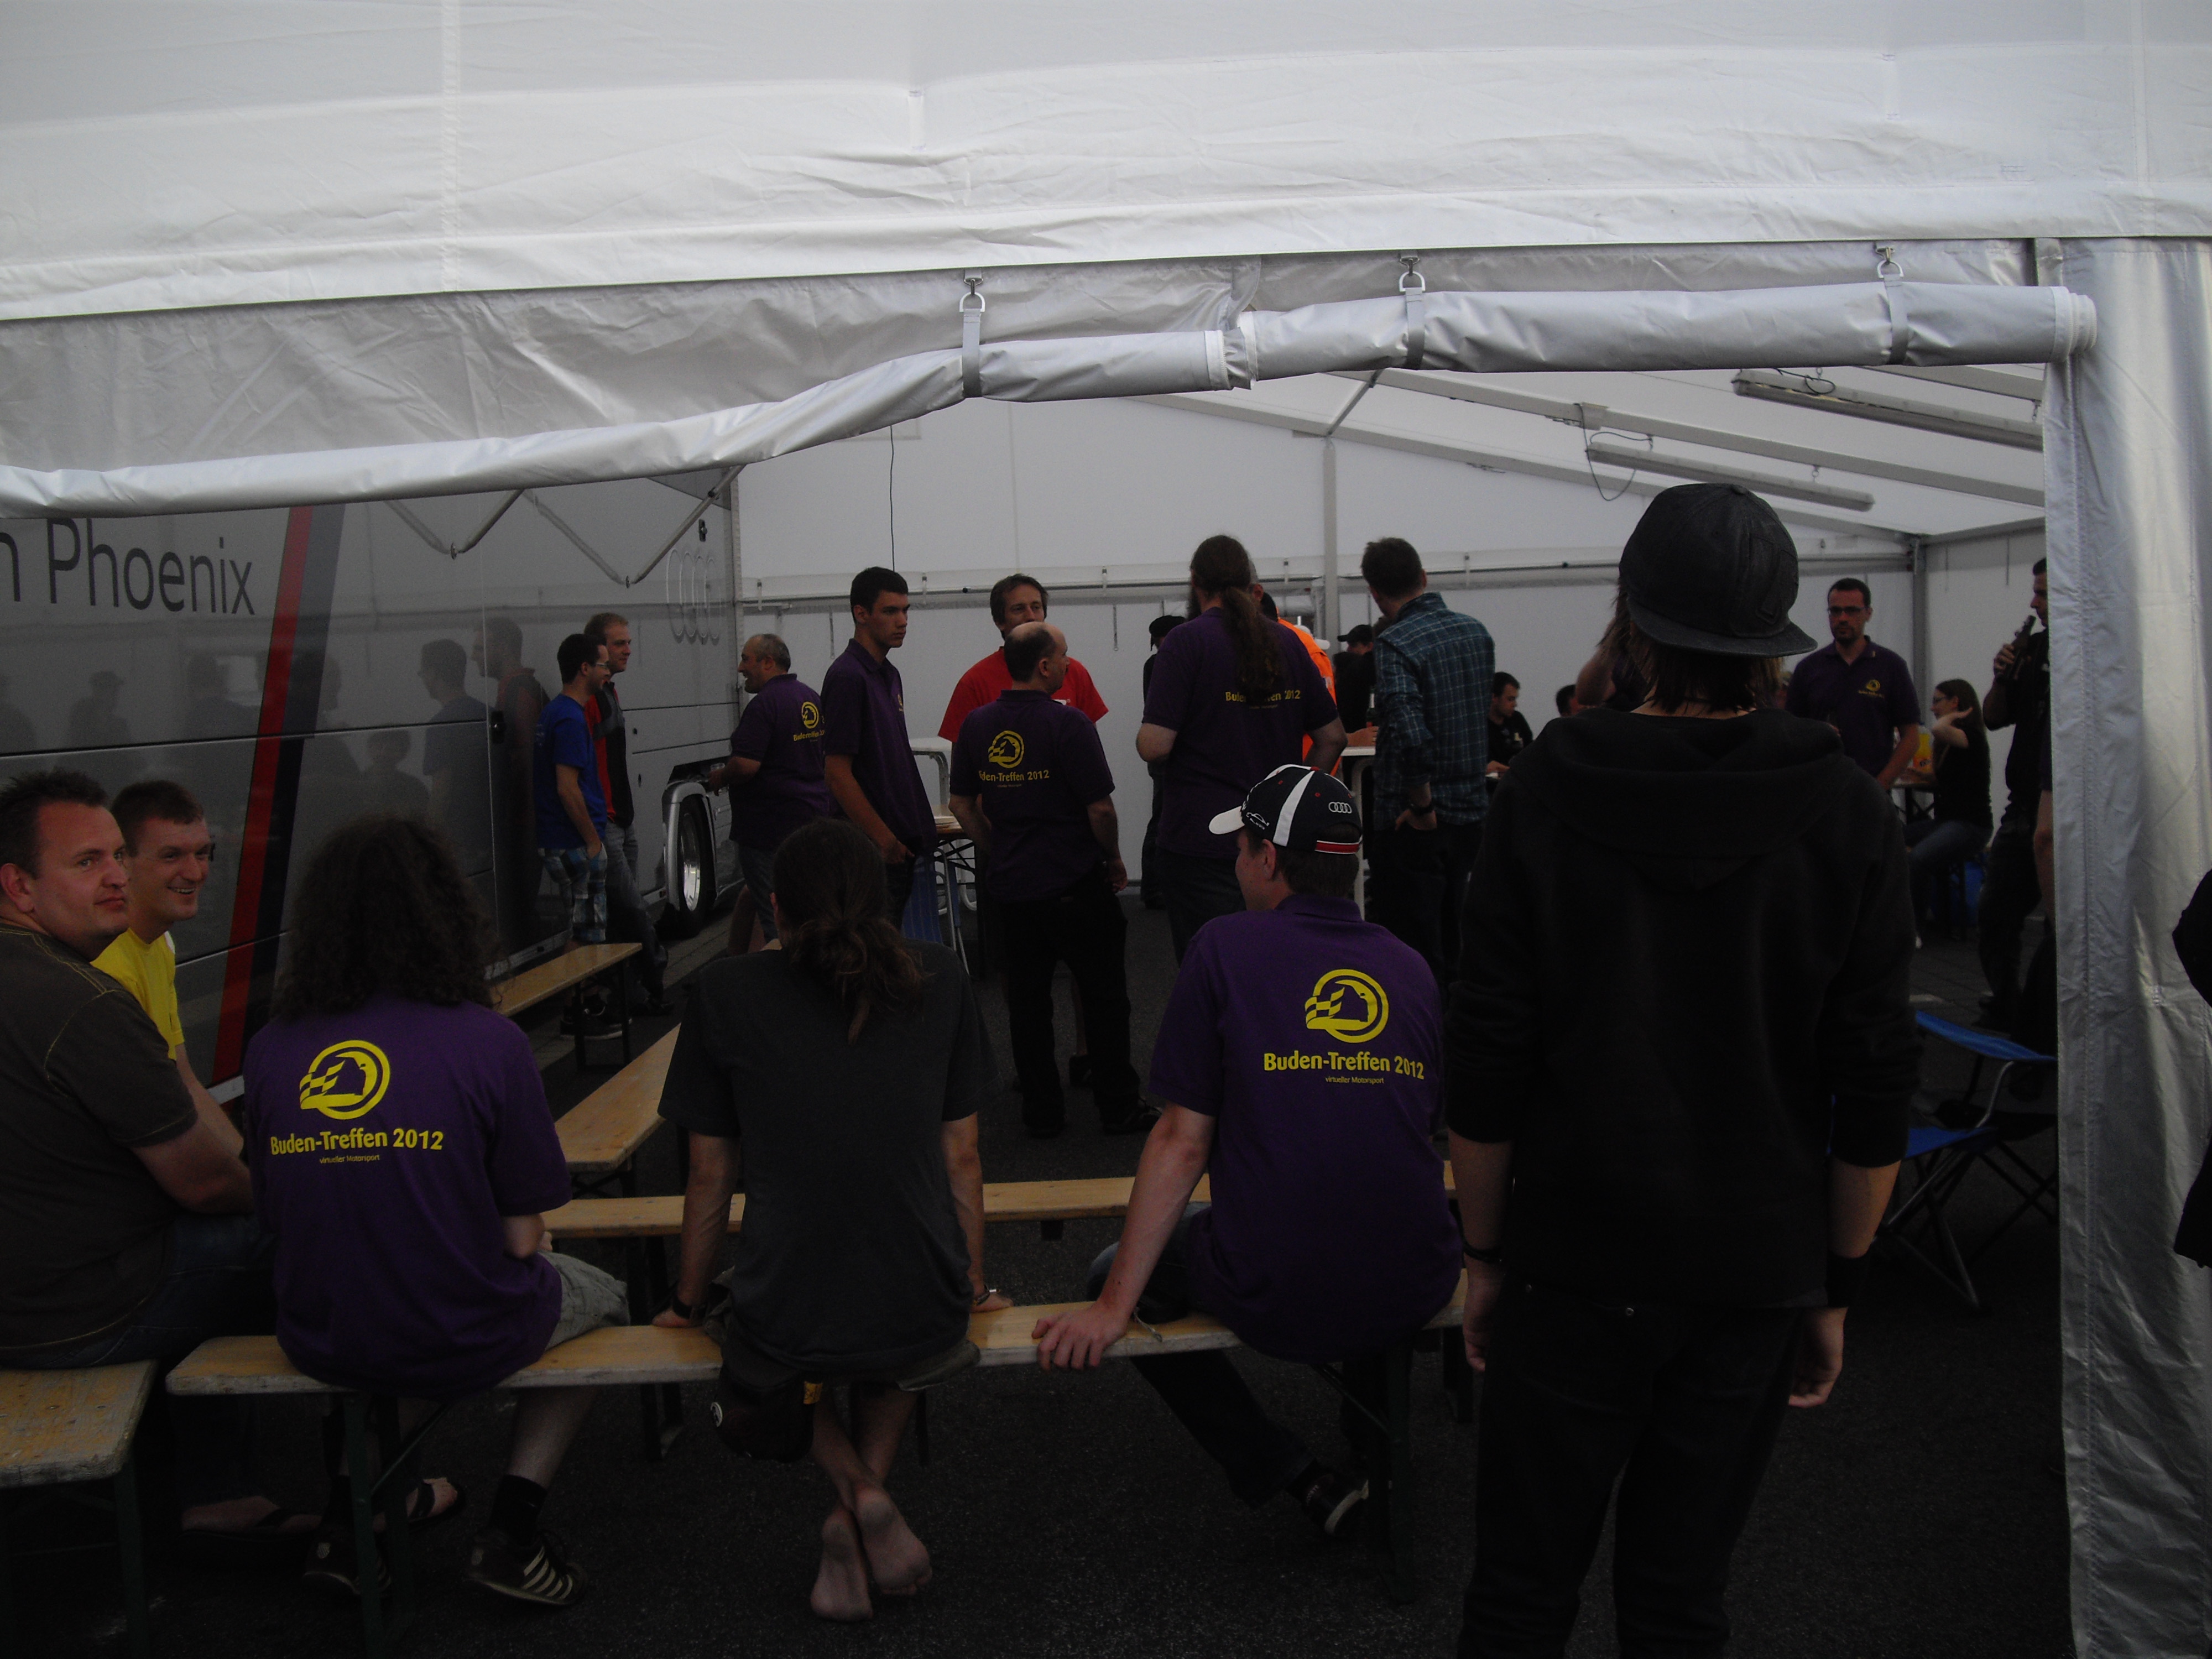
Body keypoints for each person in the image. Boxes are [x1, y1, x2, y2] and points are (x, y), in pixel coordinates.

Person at [1446, 483, 1917, 1657]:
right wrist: (1837, 1285)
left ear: (1632, 616)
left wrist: (1483, 1255)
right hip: (1750, 1264)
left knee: (1518, 1594)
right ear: (1776, 637)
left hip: (1571, 1252)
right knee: (1678, 1601)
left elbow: (1488, 1057)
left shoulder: (1542, 788)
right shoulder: (1849, 811)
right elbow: (1873, 1081)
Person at [1034, 764, 1458, 1537]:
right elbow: (1408, 1126)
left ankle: (1291, 1473)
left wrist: (1112, 1307)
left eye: (1240, 849)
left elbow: (1180, 1139)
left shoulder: (1224, 947)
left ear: (1267, 860)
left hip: (1276, 1280)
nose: (1234, 864)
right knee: (1363, 1194)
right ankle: (1375, 1439)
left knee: (1113, 1272)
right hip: (1416, 1273)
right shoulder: (1410, 966)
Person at [243, 813, 623, 1605]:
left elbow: (275, 1213)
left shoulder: (273, 1047)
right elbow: (521, 1238)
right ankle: (512, 1533)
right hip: (448, 1324)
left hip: (320, 1327)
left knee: (399, 1315)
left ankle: (348, 1526)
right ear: (445, 914)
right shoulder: (488, 1042)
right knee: (605, 1301)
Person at [654, 819, 1008, 1623]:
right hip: (919, 1296)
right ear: (882, 903)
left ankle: (854, 1490)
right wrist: (973, 1281)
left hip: (790, 1303)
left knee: (746, 1322)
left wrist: (686, 1300)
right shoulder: (940, 976)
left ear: (775, 908)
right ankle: (864, 1500)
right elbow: (962, 1157)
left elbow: (710, 1174)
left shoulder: (725, 991)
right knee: (904, 1322)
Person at [0, 770, 309, 1561]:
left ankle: (210, 1475)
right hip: (75, 1310)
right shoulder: (79, 1001)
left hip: (30, 1289)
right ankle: (358, 1478)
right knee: (313, 1237)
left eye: (115, 856)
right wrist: (296, 1194)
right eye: (86, 863)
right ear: (19, 886)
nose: (115, 877)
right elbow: (204, 1182)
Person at [948, 622, 1151, 1138]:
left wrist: (998, 851)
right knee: (1104, 999)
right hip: (1075, 887)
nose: (1068, 664)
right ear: (1044, 666)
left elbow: (961, 805)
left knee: (1027, 1006)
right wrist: (1114, 859)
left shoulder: (977, 725)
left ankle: (1042, 1113)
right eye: (1064, 656)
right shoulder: (1069, 725)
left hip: (1014, 892)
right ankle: (1118, 1107)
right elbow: (1100, 810)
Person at [1138, 536, 1345, 960]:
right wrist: (1293, 798)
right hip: (1272, 841)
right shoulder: (1288, 642)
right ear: (1250, 583)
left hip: (1201, 839)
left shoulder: (1185, 642)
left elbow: (1155, 746)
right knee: (1273, 965)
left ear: (1195, 581)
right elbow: (1333, 738)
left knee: (1212, 968)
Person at [1360, 536, 1495, 983]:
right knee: (1459, 939)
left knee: (1413, 955)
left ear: (1374, 593)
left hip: (1415, 821)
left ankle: (1424, 1027)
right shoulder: (1477, 634)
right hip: (1471, 812)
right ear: (1423, 576)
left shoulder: (1395, 643)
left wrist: (1422, 806)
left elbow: (1410, 735)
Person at [93, 780, 231, 1130]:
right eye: (171, 856)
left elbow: (185, 1082)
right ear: (122, 861)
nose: (195, 873)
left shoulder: (160, 943)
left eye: (202, 853)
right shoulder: (108, 974)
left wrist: (246, 1159)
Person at [822, 567, 938, 924]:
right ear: (861, 614)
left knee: (886, 942)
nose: (902, 621)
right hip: (870, 850)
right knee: (870, 945)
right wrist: (883, 839)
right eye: (890, 611)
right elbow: (837, 773)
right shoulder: (847, 677)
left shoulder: (888, 674)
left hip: (894, 844)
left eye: (905, 610)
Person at [708, 633, 834, 946]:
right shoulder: (810, 698)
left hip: (769, 829)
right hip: (812, 822)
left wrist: (721, 776)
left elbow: (746, 765)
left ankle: (783, 969)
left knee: (776, 917)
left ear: (768, 662)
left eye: (746, 660)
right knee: (807, 908)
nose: (741, 668)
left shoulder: (764, 705)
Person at [583, 612, 672, 1015]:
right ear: (599, 650)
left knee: (624, 914)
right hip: (605, 822)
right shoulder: (588, 701)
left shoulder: (609, 693)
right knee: (632, 908)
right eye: (620, 644)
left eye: (629, 643)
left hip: (621, 817)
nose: (628, 650)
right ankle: (654, 978)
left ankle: (632, 994)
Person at [1978, 559, 2051, 1030]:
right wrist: (2001, 676)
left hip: (2065, 813)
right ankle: (2009, 1006)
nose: (2033, 602)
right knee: (1995, 915)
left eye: (2043, 593)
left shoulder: (2092, 650)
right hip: (2022, 806)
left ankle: (2047, 1019)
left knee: (2060, 926)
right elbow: (1992, 717)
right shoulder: (2033, 647)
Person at [935, 573, 1108, 740]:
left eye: (1036, 607)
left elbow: (1090, 747)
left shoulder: (1073, 671)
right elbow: (962, 756)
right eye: (1019, 609)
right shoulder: (974, 683)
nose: (1031, 617)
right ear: (999, 621)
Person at [1784, 577, 1922, 786]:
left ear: (1868, 613)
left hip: (1871, 787)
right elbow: (1789, 732)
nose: (1843, 618)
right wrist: (1814, 734)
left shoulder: (1890, 666)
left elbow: (1911, 738)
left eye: (1852, 611)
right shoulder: (1809, 669)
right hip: (1820, 787)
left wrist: (1880, 785)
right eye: (1835, 611)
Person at [473, 618, 549, 951]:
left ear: (501, 648)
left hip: (522, 824)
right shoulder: (516, 689)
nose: (474, 656)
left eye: (480, 648)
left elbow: (524, 760)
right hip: (523, 823)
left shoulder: (519, 691)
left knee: (516, 912)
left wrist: (510, 820)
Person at [534, 634, 611, 948]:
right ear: (584, 668)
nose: (607, 672)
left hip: (562, 838)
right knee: (587, 940)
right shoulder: (570, 718)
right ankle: (585, 984)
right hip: (574, 841)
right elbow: (567, 788)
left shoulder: (555, 711)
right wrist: (593, 842)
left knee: (578, 930)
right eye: (603, 665)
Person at [1897, 679, 1992, 931]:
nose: (1933, 708)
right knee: (1891, 837)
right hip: (1947, 821)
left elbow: (1937, 729)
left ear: (1955, 702)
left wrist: (1954, 717)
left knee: (1918, 859)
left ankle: (1914, 929)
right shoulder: (1952, 743)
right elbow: (1955, 777)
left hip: (1971, 826)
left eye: (1937, 701)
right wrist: (1925, 776)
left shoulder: (1969, 736)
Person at [417, 638, 493, 872]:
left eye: (422, 673)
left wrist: (428, 839)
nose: (422, 679)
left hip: (460, 841)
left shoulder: (440, 726)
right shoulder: (489, 714)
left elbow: (442, 791)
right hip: (493, 836)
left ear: (432, 673)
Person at [1139, 614, 1183, 910]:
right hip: (1173, 755)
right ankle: (1156, 887)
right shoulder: (1163, 664)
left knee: (1162, 818)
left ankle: (1156, 888)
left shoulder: (1155, 664)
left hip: (1165, 753)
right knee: (1164, 820)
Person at [360, 729, 432, 818]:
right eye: (379, 747)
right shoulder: (354, 782)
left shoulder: (414, 787)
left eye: (391, 749)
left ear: (403, 754)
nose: (383, 753)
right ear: (369, 749)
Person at [1486, 673, 1533, 777]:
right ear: (1494, 697)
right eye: (1510, 699)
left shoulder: (1517, 719)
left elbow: (1532, 752)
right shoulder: (1480, 726)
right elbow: (1489, 767)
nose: (1515, 704)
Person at [1333, 623, 1378, 733]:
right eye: (1349, 645)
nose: (1348, 649)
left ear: (1370, 646)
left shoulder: (1355, 675)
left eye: (1353, 645)